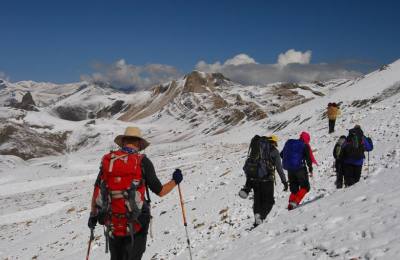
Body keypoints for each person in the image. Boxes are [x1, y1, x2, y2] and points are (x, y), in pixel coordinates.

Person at [87, 126, 183, 260]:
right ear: (138, 143)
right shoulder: (142, 161)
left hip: (112, 222)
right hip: (136, 222)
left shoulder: (109, 161)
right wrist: (175, 180)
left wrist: (93, 215)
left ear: (123, 141)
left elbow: (97, 189)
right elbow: (160, 191)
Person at [239, 135, 288, 226]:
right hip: (266, 179)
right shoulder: (274, 151)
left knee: (258, 200)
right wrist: (284, 181)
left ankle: (256, 214)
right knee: (269, 201)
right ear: (273, 142)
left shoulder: (257, 148)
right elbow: (279, 168)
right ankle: (261, 217)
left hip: (253, 178)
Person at [281, 131, 317, 210]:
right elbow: (308, 159)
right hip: (300, 169)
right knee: (305, 187)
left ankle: (291, 203)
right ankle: (295, 202)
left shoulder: (290, 143)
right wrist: (310, 169)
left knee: (294, 188)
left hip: (290, 169)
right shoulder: (305, 145)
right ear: (306, 139)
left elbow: (281, 154)